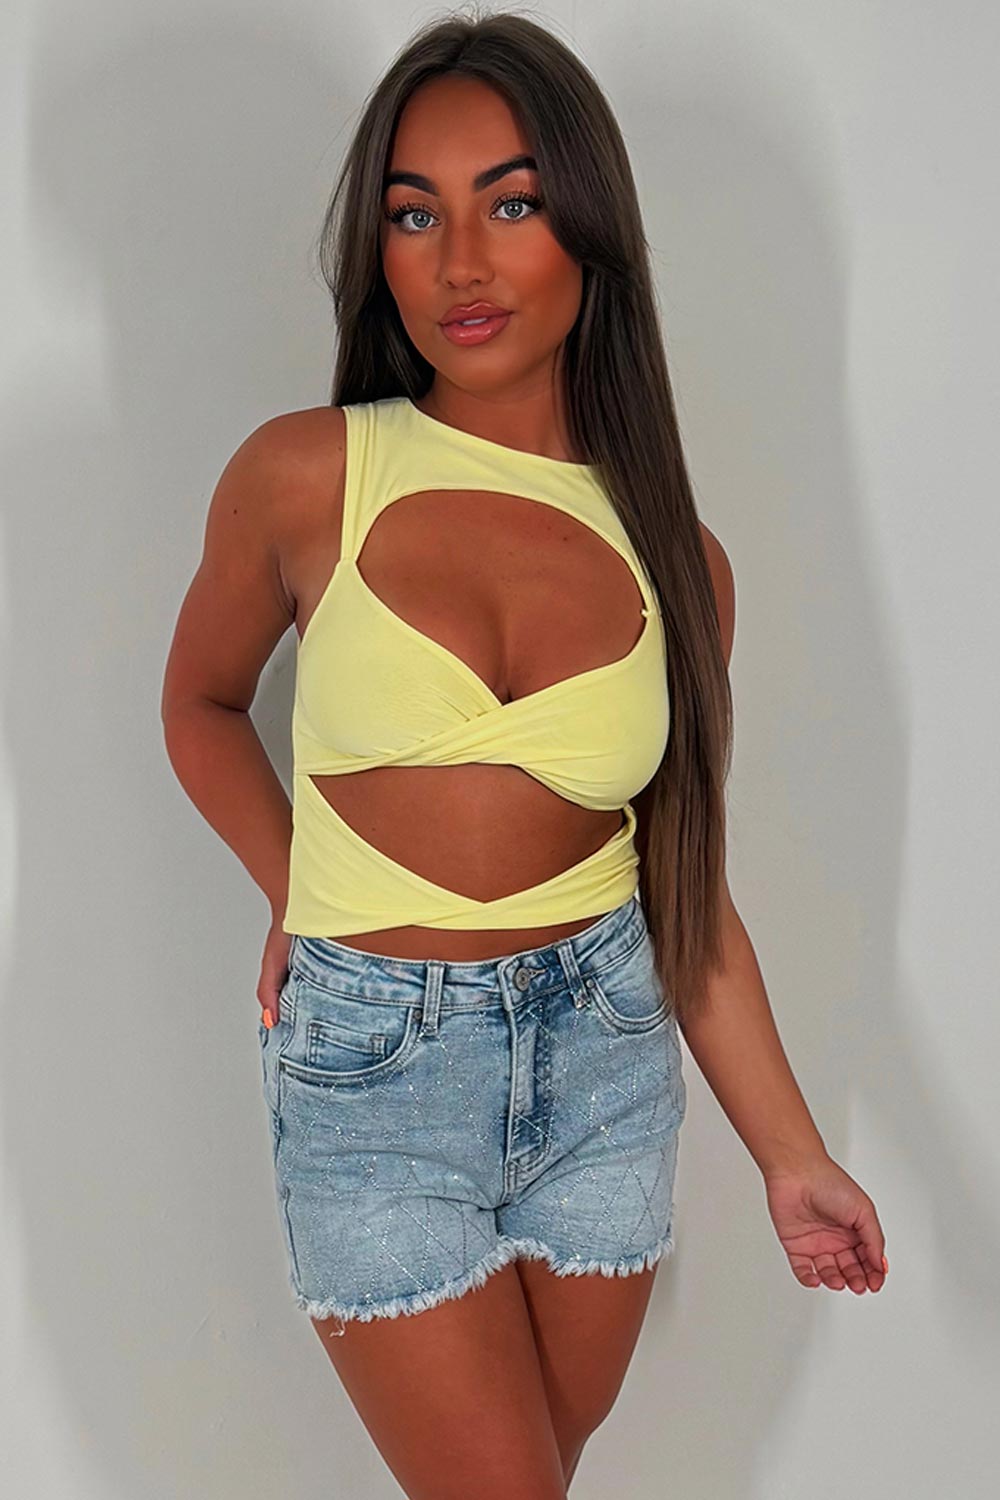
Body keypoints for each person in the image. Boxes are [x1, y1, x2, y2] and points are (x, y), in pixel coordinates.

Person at [161, 10, 887, 1497]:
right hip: (375, 1069)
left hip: (607, 1060)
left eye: (509, 205)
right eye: (413, 214)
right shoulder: (306, 475)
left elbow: (686, 891)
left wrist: (793, 1156)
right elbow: (199, 705)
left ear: (589, 228)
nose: (460, 264)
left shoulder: (682, 560)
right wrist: (296, 883)